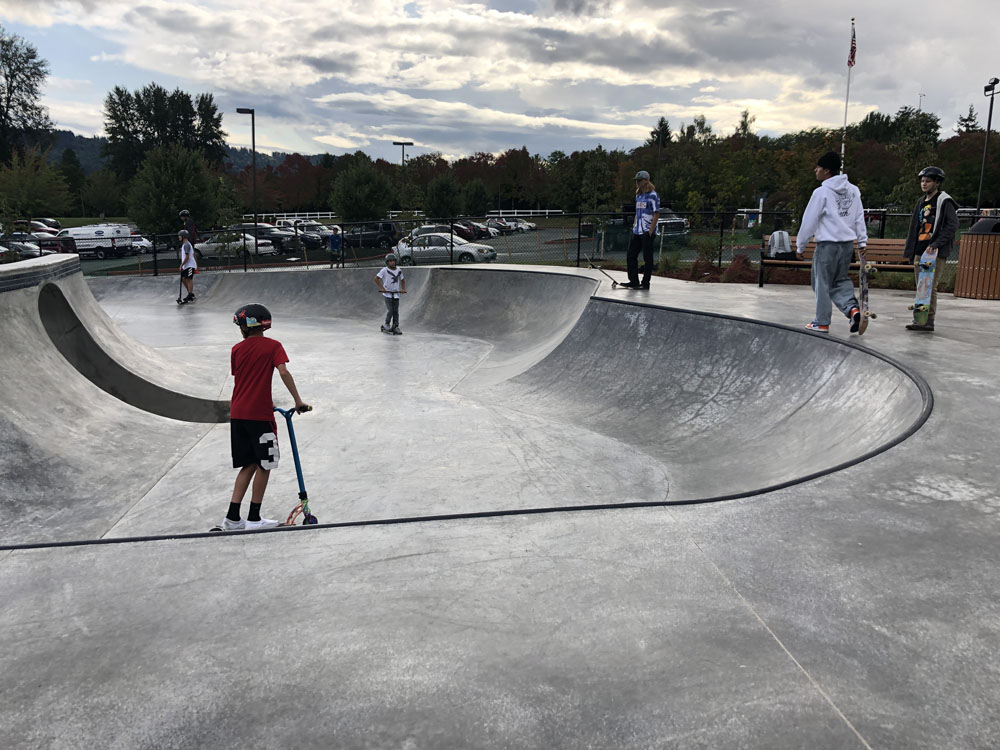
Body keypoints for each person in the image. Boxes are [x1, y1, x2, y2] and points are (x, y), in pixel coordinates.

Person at [218, 303, 310, 531]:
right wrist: (298, 401)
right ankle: (254, 518)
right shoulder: (273, 346)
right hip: (259, 415)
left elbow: (241, 377)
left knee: (248, 464)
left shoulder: (236, 350)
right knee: (265, 463)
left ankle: (232, 518)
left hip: (238, 413)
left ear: (246, 327)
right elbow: (284, 372)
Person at [796, 151, 867, 333]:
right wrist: (862, 241)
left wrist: (800, 245)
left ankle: (821, 321)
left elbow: (809, 221)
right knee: (840, 280)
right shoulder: (853, 190)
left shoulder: (822, 192)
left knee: (821, 283)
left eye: (818, 168)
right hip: (846, 246)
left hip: (827, 245)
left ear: (827, 170)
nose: (815, 170)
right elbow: (859, 217)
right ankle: (852, 309)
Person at [902, 166, 959, 332]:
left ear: (937, 182)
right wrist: (911, 251)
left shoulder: (944, 201)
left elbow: (952, 225)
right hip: (920, 250)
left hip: (935, 252)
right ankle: (919, 320)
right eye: (922, 181)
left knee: (930, 286)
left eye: (928, 181)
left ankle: (928, 321)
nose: (924, 184)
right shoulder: (921, 202)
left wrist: (936, 244)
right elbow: (915, 227)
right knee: (921, 287)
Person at [621, 170, 660, 289]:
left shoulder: (653, 195)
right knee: (631, 255)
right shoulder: (638, 196)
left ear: (646, 181)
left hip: (647, 231)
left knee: (647, 258)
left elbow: (656, 214)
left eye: (640, 180)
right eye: (636, 181)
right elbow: (637, 213)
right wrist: (634, 225)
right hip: (637, 230)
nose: (637, 183)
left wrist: (650, 231)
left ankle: (645, 282)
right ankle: (633, 280)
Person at [375, 253, 406, 334]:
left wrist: (403, 288)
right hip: (387, 294)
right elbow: (376, 278)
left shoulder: (399, 270)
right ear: (387, 262)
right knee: (391, 310)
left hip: (396, 294)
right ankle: (387, 324)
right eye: (390, 261)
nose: (392, 262)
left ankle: (396, 326)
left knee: (396, 311)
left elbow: (402, 280)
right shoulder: (384, 270)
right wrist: (382, 288)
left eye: (394, 261)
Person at [178, 229, 197, 303]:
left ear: (183, 236)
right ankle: (190, 293)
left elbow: (187, 257)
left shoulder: (186, 245)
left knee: (189, 279)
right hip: (186, 266)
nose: (178, 237)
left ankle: (190, 295)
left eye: (179, 236)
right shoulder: (184, 244)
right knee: (183, 279)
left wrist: (181, 265)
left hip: (190, 265)